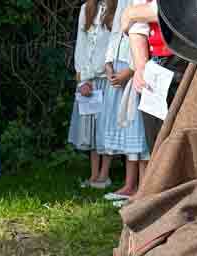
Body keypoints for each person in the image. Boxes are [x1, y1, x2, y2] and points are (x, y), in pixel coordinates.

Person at [98, 0, 149, 203]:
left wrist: (129, 71)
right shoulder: (120, 2)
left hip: (136, 67)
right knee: (128, 130)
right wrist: (109, 65)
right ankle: (129, 185)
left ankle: (144, 187)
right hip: (118, 69)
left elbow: (141, 34)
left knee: (139, 132)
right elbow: (116, 34)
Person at [124, 0, 188, 152]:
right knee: (156, 139)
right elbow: (137, 27)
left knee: (190, 134)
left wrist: (131, 13)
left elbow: (183, 8)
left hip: (195, 63)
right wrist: (140, 67)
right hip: (157, 64)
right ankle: (160, 175)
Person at [68, 0, 115, 190]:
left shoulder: (117, 9)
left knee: (106, 126)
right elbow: (81, 44)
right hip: (89, 80)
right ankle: (94, 173)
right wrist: (82, 79)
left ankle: (105, 174)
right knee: (92, 128)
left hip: (107, 77)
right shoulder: (86, 9)